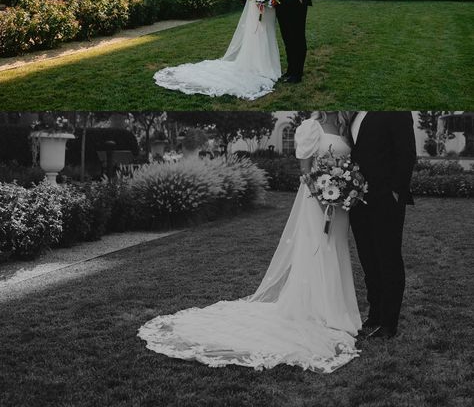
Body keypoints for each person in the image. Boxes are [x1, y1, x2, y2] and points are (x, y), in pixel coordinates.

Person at [138, 112, 362, 373]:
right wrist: (321, 192)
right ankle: (318, 310)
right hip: (317, 201)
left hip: (340, 204)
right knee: (317, 250)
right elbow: (305, 170)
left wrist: (343, 189)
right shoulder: (311, 126)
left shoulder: (346, 124)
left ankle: (337, 307)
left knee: (337, 248)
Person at [153, 0, 281, 100]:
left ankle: (269, 65)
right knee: (257, 31)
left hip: (269, 4)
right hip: (256, 1)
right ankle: (256, 66)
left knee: (268, 30)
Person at [349, 111, 417, 339]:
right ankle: (375, 314)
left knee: (388, 259)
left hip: (386, 199)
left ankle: (389, 323)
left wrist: (396, 191)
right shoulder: (354, 114)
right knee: (369, 261)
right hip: (358, 200)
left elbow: (407, 153)